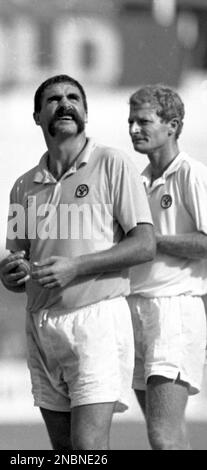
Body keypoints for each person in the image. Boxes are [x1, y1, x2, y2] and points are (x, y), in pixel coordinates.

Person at [0, 74, 155, 450]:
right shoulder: (23, 186)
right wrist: (8, 273)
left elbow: (145, 244)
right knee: (64, 452)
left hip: (96, 319)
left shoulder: (112, 164)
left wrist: (76, 267)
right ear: (37, 116)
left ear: (86, 111)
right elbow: (17, 258)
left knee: (87, 450)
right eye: (53, 99)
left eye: (73, 97)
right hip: (42, 324)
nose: (65, 103)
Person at [127, 85, 207, 450]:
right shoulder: (137, 182)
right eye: (130, 121)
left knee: (164, 436)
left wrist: (152, 241)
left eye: (143, 121)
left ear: (172, 125)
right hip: (136, 308)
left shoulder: (191, 174)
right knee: (165, 435)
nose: (133, 129)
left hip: (174, 307)